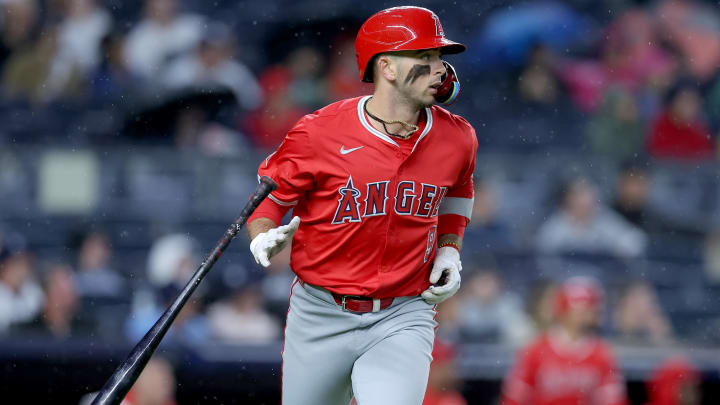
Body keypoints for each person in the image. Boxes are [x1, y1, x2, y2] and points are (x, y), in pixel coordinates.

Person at [245, 6, 476, 405]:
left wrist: (449, 250)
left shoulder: (458, 138)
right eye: (424, 58)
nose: (439, 69)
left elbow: (458, 191)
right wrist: (262, 238)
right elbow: (267, 203)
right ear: (386, 67)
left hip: (404, 313)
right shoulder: (318, 131)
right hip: (319, 312)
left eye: (439, 58)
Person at [502, 277, 628, 405]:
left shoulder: (602, 354)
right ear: (563, 310)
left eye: (588, 309)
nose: (584, 315)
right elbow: (514, 399)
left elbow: (614, 400)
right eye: (578, 310)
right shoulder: (535, 350)